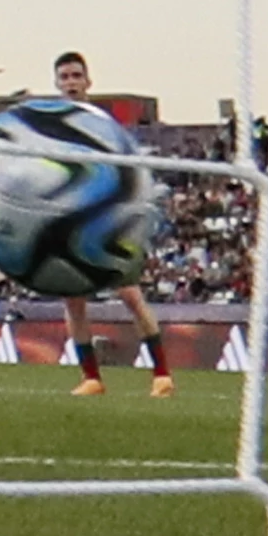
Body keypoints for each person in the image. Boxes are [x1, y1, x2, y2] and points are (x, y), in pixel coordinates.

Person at [48, 53, 176, 398]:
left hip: (107, 217)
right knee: (73, 300)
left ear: (88, 82)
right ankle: (92, 378)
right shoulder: (54, 125)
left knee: (129, 293)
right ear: (57, 84)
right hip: (72, 218)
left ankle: (162, 374)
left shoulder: (102, 123)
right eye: (65, 76)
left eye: (77, 75)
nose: (71, 82)